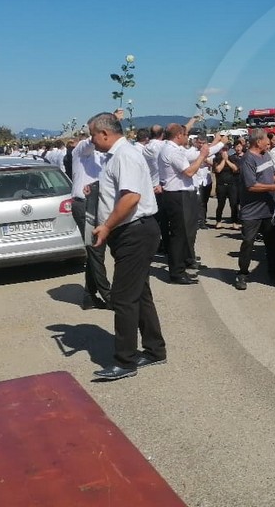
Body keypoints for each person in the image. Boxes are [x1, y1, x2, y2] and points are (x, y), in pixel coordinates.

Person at [87, 112, 165, 382]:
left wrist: (107, 225)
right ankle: (155, 350)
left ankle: (125, 361)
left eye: (93, 135)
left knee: (122, 297)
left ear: (105, 133)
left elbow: (131, 197)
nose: (92, 141)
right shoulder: (118, 156)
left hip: (135, 233)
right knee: (139, 293)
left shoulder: (125, 155)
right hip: (130, 233)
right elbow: (122, 188)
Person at [234, 129, 275, 291]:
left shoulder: (267, 155)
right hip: (251, 211)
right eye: (266, 140)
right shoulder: (248, 160)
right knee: (248, 242)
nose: (269, 142)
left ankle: (273, 273)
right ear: (258, 142)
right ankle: (242, 273)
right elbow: (251, 185)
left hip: (269, 209)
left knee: (272, 243)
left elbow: (272, 176)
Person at [158, 123, 208, 285]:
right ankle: (176, 272)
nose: (187, 138)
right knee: (180, 234)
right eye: (186, 135)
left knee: (184, 232)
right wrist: (202, 156)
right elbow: (189, 171)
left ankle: (181, 266)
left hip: (180, 194)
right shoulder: (173, 151)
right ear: (179, 135)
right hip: (178, 195)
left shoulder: (172, 149)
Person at [69, 118, 111, 310]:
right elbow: (90, 142)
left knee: (96, 251)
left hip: (96, 204)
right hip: (84, 205)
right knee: (95, 250)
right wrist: (110, 122)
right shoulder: (80, 152)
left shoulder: (103, 158)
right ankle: (108, 295)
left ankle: (89, 296)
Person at [213, 141, 241, 228]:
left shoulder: (233, 158)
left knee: (233, 204)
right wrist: (223, 160)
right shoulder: (216, 159)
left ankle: (235, 222)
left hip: (232, 184)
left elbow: (235, 169)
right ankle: (218, 221)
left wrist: (227, 160)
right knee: (221, 204)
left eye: (226, 149)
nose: (224, 151)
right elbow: (218, 170)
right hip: (221, 184)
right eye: (223, 150)